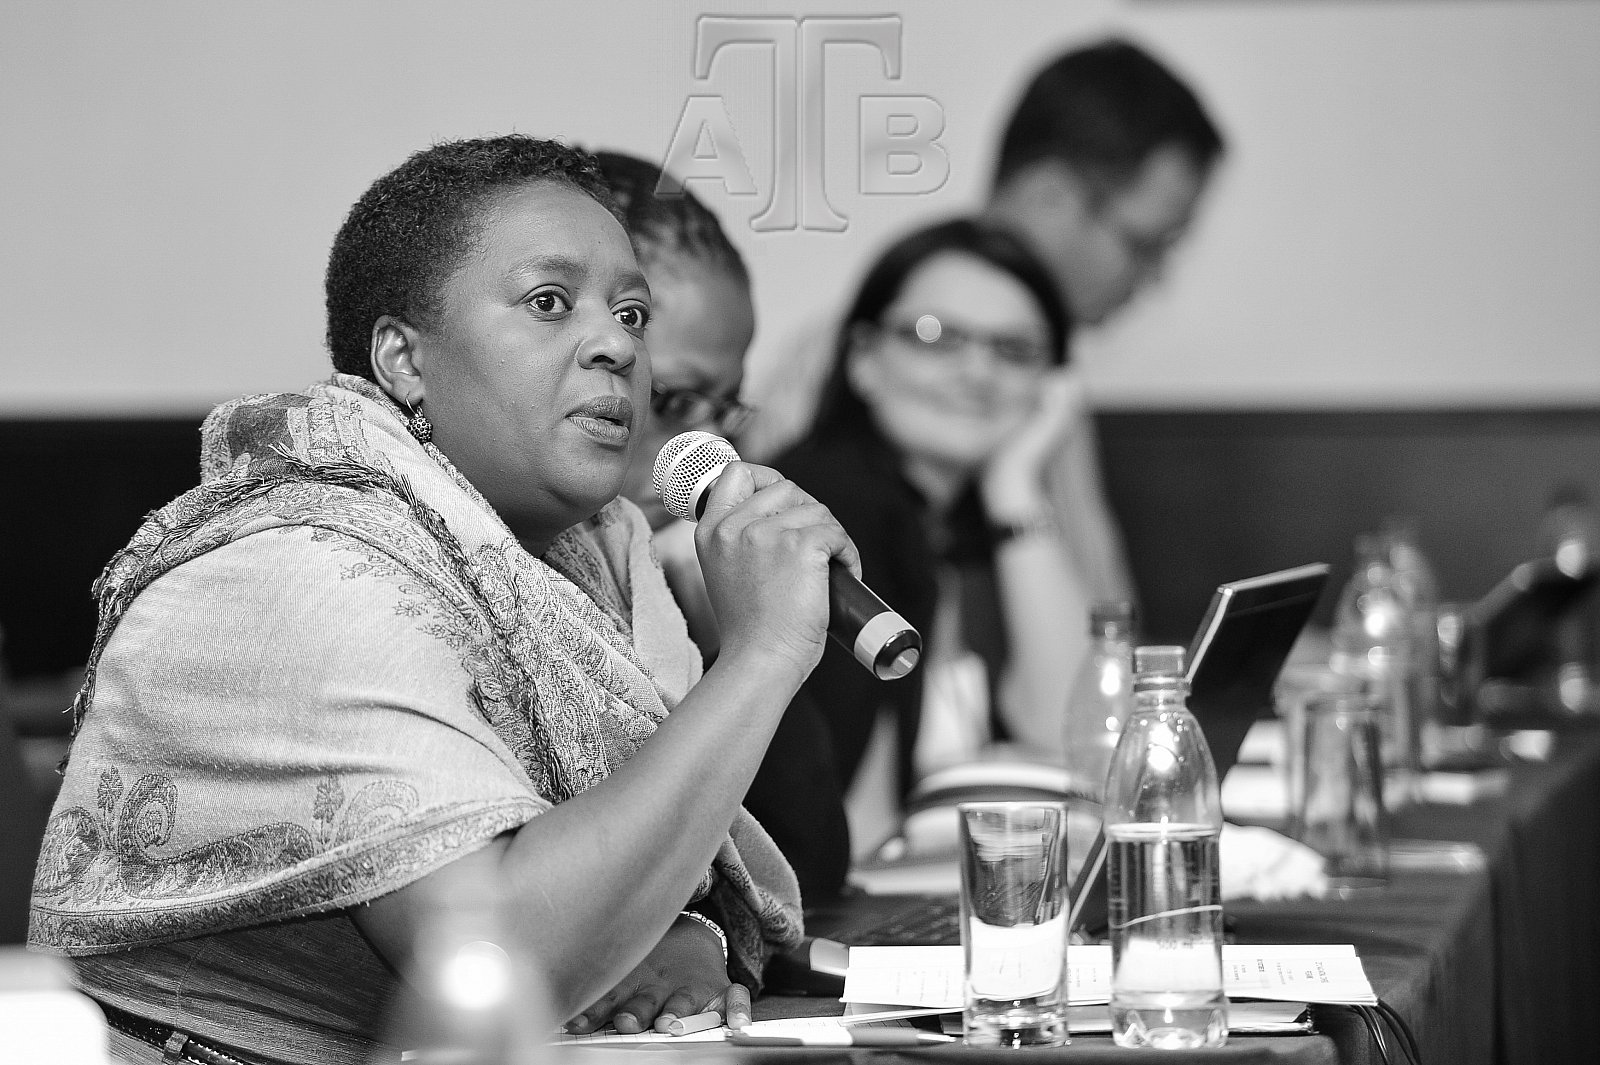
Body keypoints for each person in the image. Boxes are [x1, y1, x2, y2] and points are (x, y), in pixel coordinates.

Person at [28, 135, 859, 1065]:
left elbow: (646, 866)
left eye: (631, 313)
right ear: (403, 358)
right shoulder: (301, 575)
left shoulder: (590, 559)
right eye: (550, 302)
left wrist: (687, 934)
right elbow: (495, 961)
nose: (619, 345)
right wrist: (760, 655)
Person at [742, 37, 1227, 609]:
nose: (1155, 278)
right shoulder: (836, 364)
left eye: (1012, 350)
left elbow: (1105, 618)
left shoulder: (1050, 384)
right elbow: (775, 585)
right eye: (1142, 244)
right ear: (1049, 195)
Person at [758, 217, 1094, 877]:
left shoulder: (961, 524)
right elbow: (851, 838)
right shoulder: (831, 511)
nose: (977, 371)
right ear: (863, 358)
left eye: (1015, 350)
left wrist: (1016, 486)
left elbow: (1072, 731)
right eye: (936, 336)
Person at [594, 150, 853, 901]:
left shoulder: (671, 575)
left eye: (725, 409)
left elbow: (805, 871)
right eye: (674, 402)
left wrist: (732, 637)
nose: (705, 448)